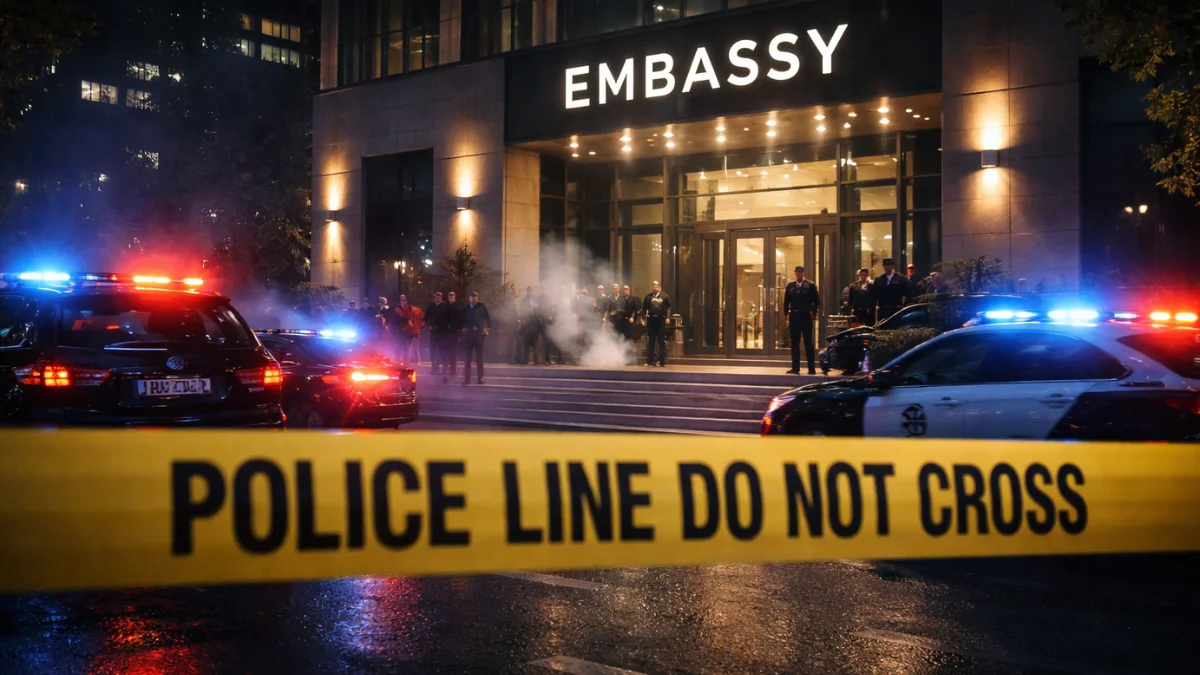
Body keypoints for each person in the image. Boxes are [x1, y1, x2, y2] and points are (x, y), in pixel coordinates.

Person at [783, 265, 820, 375]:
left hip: (805, 316)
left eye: (800, 272)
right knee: (794, 343)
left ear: (803, 273)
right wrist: (786, 314)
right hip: (794, 316)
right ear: (795, 273)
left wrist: (813, 312)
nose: (798, 274)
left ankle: (811, 368)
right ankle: (795, 368)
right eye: (797, 272)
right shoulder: (790, 286)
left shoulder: (810, 285)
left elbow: (816, 300)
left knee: (808, 342)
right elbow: (786, 302)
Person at [460, 291, 490, 385]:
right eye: (471, 297)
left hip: (479, 336)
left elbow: (487, 319)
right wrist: (462, 329)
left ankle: (480, 378)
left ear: (477, 297)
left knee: (479, 359)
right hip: (468, 336)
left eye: (475, 296)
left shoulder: (481, 307)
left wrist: (485, 329)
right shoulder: (466, 308)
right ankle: (466, 380)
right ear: (469, 298)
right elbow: (461, 320)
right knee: (467, 359)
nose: (473, 298)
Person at [642, 280, 671, 367]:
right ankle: (650, 360)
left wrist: (668, 317)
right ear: (652, 287)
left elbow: (669, 307)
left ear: (660, 287)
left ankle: (661, 360)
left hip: (661, 320)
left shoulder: (665, 296)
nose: (655, 288)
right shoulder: (648, 297)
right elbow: (644, 309)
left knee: (661, 341)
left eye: (657, 286)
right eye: (654, 286)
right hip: (651, 320)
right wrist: (643, 319)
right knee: (651, 340)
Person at [425, 292, 450, 381]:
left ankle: (444, 369)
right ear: (434, 297)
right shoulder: (431, 307)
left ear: (441, 297)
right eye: (436, 296)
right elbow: (426, 318)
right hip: (433, 332)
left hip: (443, 332)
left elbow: (449, 318)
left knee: (443, 351)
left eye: (439, 296)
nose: (437, 298)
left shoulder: (445, 306)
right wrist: (428, 325)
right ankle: (434, 369)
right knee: (433, 351)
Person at [397, 294, 424, 365]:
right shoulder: (416, 309)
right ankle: (415, 360)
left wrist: (416, 325)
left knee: (410, 346)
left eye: (404, 300)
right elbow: (423, 320)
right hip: (412, 330)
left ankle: (412, 360)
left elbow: (404, 320)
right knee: (412, 346)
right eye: (401, 300)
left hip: (411, 330)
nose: (402, 302)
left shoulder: (408, 309)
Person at [444, 291, 462, 380]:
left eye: (452, 295)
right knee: (445, 354)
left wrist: (459, 334)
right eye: (449, 295)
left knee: (453, 354)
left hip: (454, 333)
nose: (451, 297)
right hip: (446, 334)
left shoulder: (457, 307)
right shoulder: (445, 306)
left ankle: (453, 371)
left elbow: (460, 321)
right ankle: (446, 370)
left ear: (455, 297)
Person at [516, 286, 535, 365]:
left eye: (531, 290)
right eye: (528, 290)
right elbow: (522, 310)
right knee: (525, 342)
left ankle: (527, 360)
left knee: (530, 343)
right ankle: (524, 360)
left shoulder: (533, 299)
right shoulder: (525, 300)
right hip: (526, 323)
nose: (530, 292)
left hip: (532, 323)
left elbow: (536, 308)